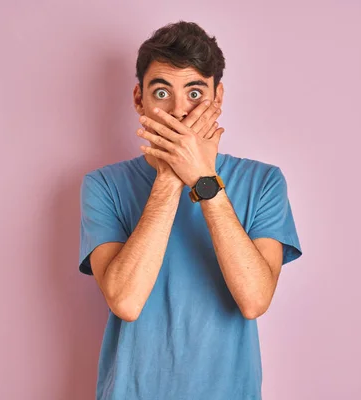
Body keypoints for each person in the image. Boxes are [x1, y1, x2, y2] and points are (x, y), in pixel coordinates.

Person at [79, 20, 302, 400]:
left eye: (195, 92)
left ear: (218, 98)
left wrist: (203, 179)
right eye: (162, 92)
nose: (179, 110)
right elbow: (126, 301)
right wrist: (169, 177)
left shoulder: (264, 182)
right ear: (139, 99)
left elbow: (254, 300)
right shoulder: (102, 186)